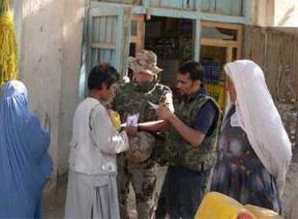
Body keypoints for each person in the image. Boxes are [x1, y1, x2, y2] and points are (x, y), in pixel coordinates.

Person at [140, 61, 221, 218]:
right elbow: (167, 124)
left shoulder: (207, 107)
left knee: (187, 214)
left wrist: (171, 116)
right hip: (176, 167)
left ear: (197, 83)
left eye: (183, 82)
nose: (179, 85)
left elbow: (196, 139)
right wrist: (138, 127)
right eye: (178, 81)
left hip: (193, 174)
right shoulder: (184, 101)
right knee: (164, 211)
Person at [209, 60, 292, 213]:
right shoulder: (232, 113)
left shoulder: (261, 118)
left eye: (231, 83)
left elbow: (282, 153)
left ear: (245, 85)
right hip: (225, 189)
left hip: (252, 193)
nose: (227, 88)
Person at [65, 63, 135, 219]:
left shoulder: (82, 106)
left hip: (80, 172)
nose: (113, 93)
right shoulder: (98, 110)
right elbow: (109, 143)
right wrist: (127, 134)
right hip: (95, 177)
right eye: (112, 89)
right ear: (103, 86)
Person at [112, 50, 174, 219]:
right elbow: (108, 115)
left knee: (145, 206)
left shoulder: (162, 93)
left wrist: (138, 128)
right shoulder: (121, 90)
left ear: (153, 73)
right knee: (117, 202)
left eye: (145, 73)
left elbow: (166, 122)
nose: (140, 76)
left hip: (146, 159)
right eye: (138, 71)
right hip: (120, 155)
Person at [0, 80, 53, 218]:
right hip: (21, 192)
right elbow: (39, 145)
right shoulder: (29, 121)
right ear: (23, 98)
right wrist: (47, 134)